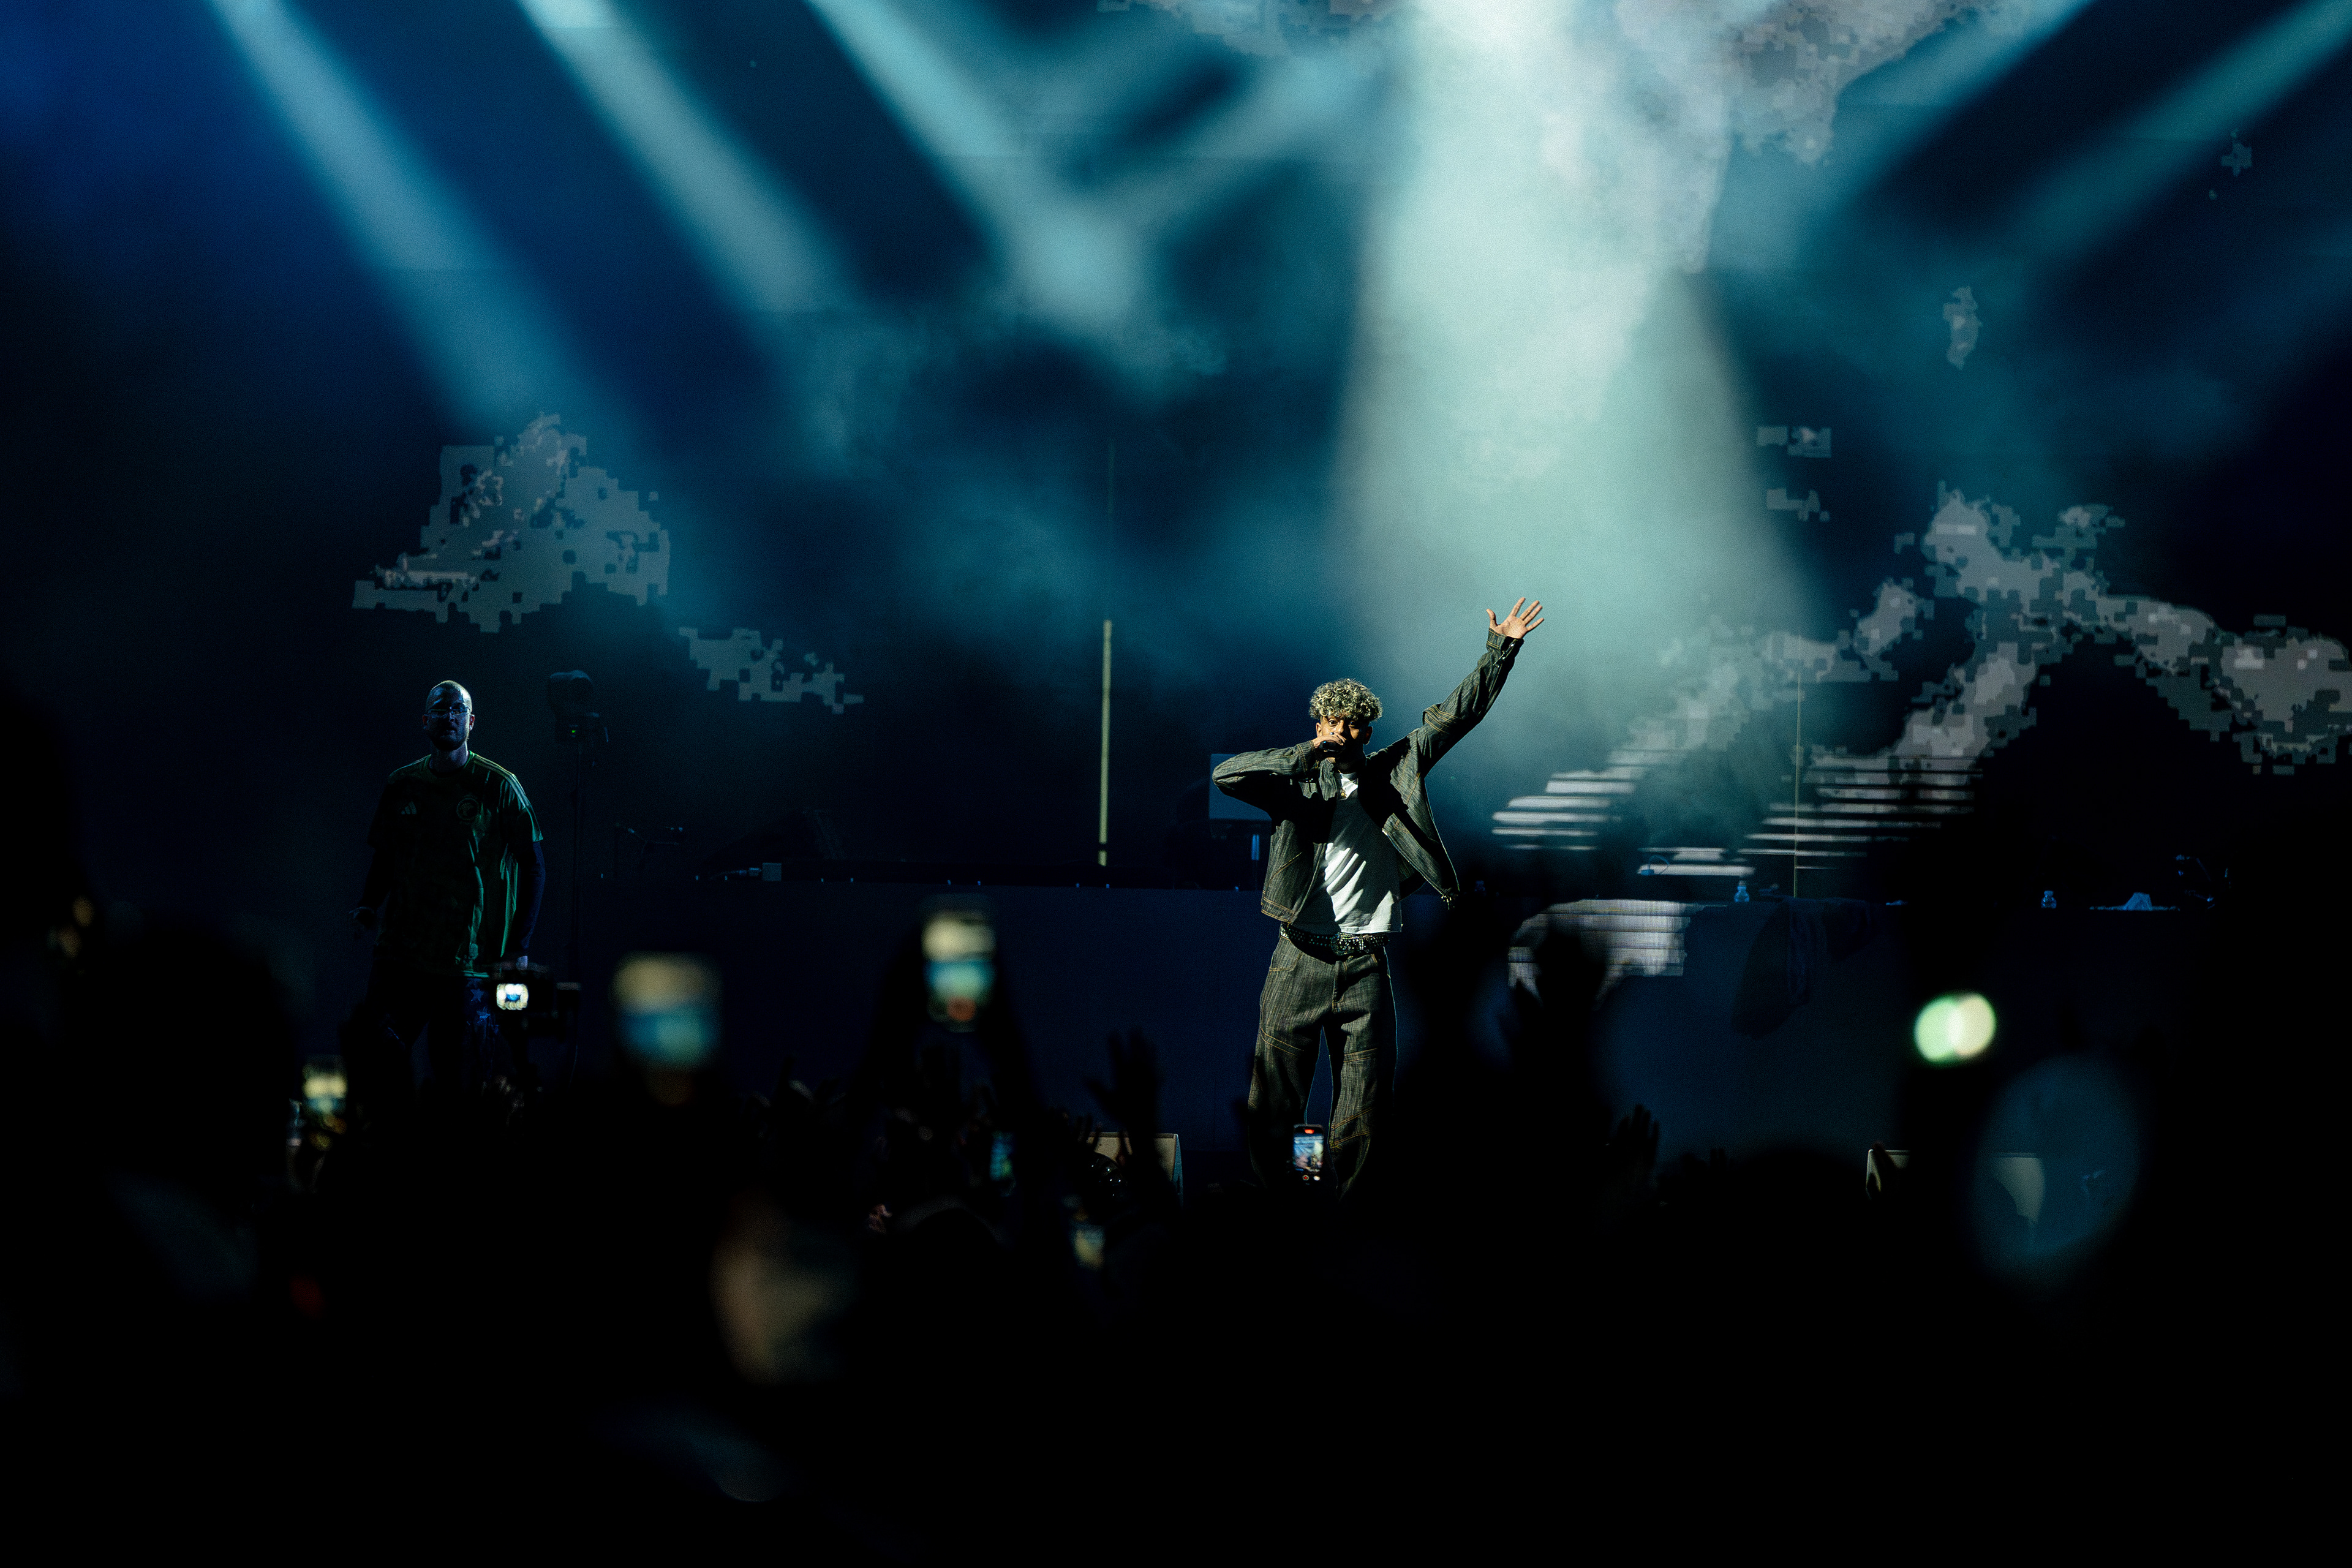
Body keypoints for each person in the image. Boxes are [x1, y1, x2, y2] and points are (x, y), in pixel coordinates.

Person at [1213, 598, 1544, 1197]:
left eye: (1353, 725)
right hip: (1299, 959)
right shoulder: (1294, 783)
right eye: (1333, 723)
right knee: (1278, 1101)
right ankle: (1288, 1209)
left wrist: (1501, 650)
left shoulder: (1395, 769)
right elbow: (1227, 776)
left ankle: (1355, 1220)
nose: (1342, 733)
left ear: (1367, 730)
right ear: (1319, 724)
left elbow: (1456, 717)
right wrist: (1304, 754)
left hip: (1366, 961)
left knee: (1364, 1109)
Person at [349, 680, 545, 1104]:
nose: (449, 717)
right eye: (440, 710)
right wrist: (367, 905)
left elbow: (534, 866)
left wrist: (518, 946)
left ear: (472, 722)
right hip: (401, 954)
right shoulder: (402, 784)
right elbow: (384, 857)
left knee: (456, 1077)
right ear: (425, 721)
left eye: (458, 710)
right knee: (376, 1059)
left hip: (466, 963)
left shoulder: (499, 786)